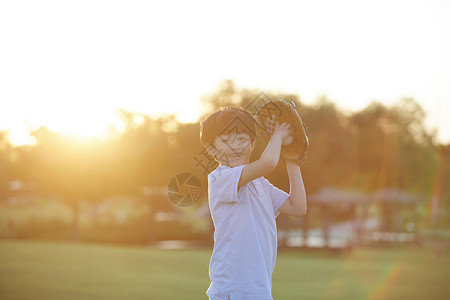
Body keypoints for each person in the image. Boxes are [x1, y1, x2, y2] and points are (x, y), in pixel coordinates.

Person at [200, 106, 307, 300]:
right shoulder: (220, 177)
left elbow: (298, 207)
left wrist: (291, 159)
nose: (235, 147)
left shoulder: (261, 185)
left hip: (257, 286)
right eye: (225, 141)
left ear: (252, 143)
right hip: (233, 287)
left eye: (242, 139)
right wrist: (279, 134)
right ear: (211, 149)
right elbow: (268, 163)